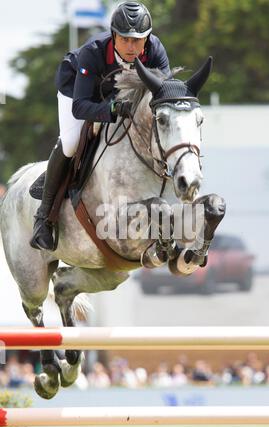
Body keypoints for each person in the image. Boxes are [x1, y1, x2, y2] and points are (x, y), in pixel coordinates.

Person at [30, 1, 170, 251]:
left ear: (147, 38)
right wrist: (113, 110)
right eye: (125, 39)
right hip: (77, 89)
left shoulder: (155, 50)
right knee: (72, 143)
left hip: (117, 93)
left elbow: (163, 95)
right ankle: (43, 220)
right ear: (114, 35)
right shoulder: (93, 51)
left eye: (138, 40)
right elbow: (81, 106)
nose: (131, 47)